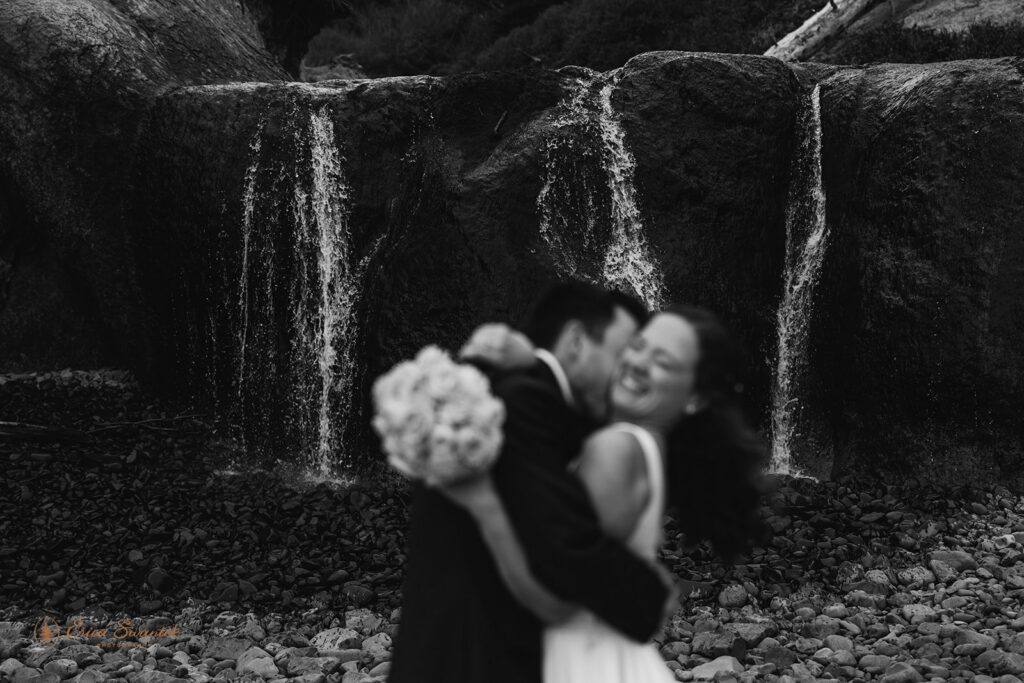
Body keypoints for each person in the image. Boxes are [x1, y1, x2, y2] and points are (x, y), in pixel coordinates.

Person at [440, 303, 765, 683]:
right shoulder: (646, 447)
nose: (637, 363)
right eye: (638, 345)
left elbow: (556, 597)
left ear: (694, 398)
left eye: (663, 361)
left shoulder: (616, 449)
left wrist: (481, 500)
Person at [388, 282, 677, 683]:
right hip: (476, 658)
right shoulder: (525, 401)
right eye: (622, 352)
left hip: (440, 647)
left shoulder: (495, 389)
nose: (628, 374)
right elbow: (565, 550)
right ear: (576, 340)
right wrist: (649, 598)